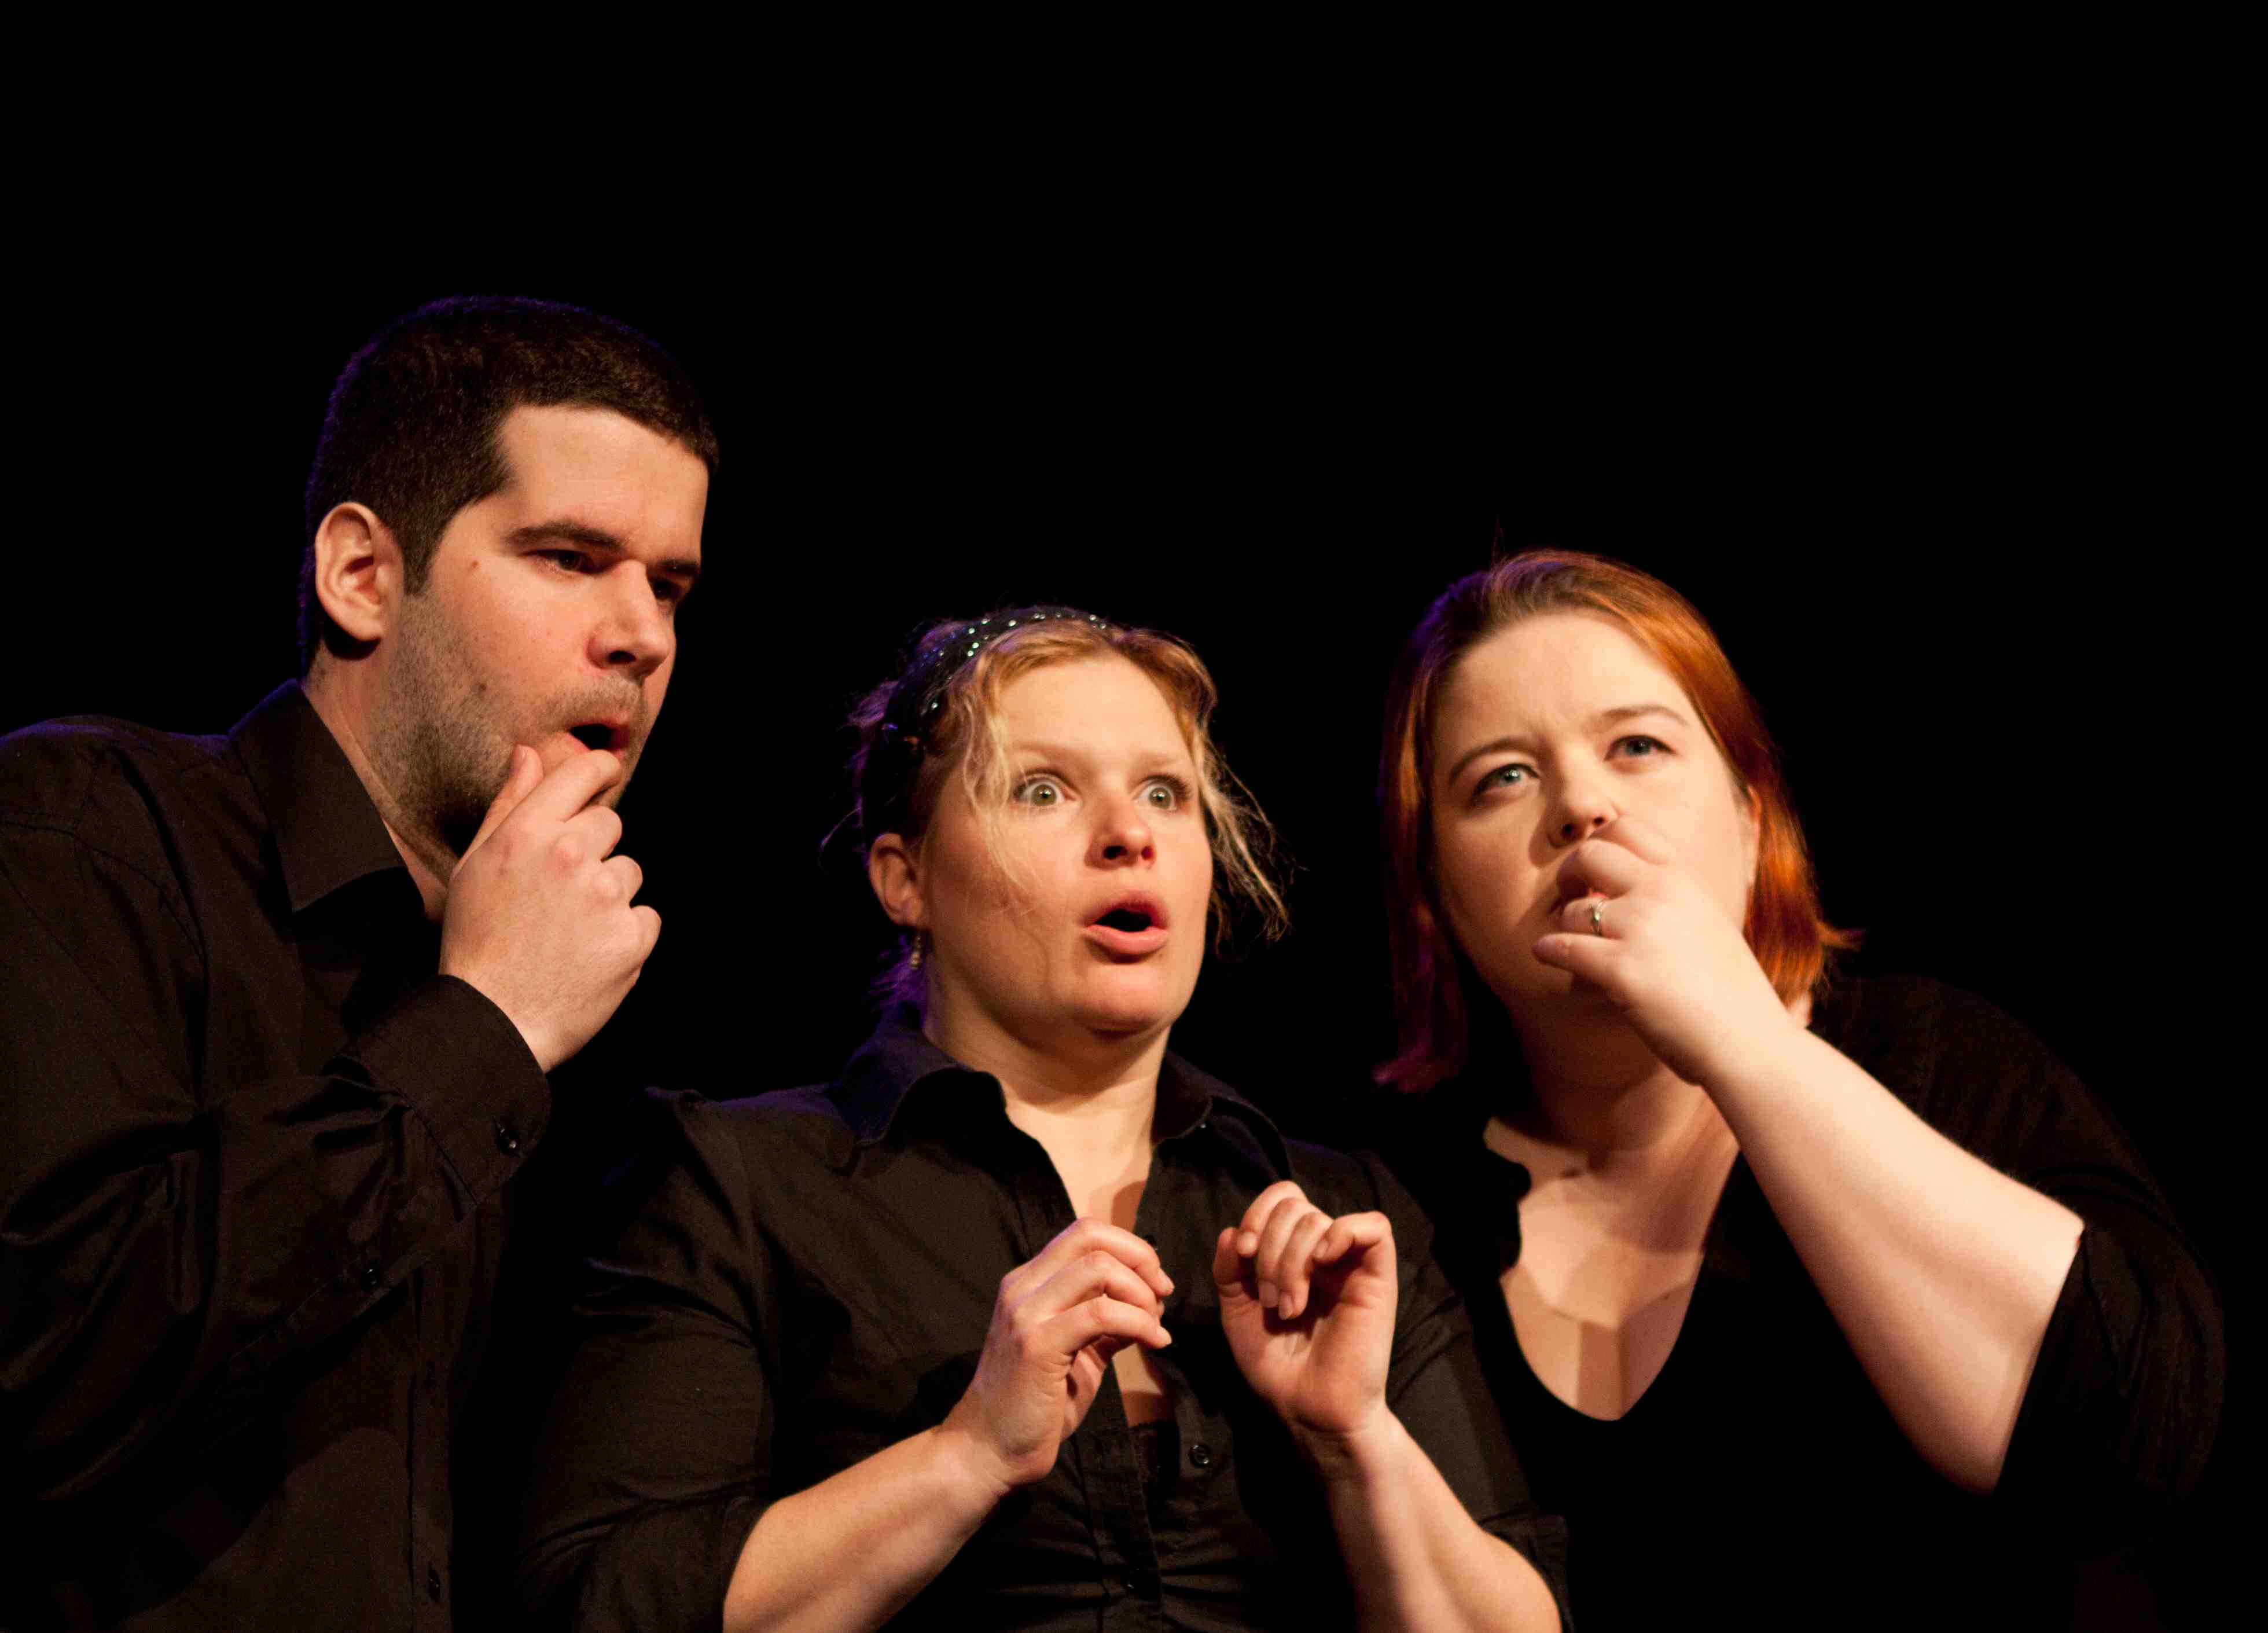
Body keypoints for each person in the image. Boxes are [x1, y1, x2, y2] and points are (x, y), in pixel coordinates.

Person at [517, 608, 1570, 1631]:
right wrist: (966, 1454)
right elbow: (597, 1600)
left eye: (1164, 793)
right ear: (906, 879)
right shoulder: (739, 1185)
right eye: (1043, 790)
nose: (1129, 835)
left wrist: (1356, 1440)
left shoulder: (1338, 1215)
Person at [0, 296, 715, 1631]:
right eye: (571, 558)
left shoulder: (579, 1021)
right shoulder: (86, 831)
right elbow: (44, 1364)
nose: (643, 635)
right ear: (362, 577)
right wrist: (483, 1024)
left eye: (669, 585)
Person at [1366, 549, 2224, 1628]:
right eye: (1502, 778)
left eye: (1637, 746)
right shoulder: (1395, 1197)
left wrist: (1741, 1036)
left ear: (1750, 815)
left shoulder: (1931, 1060)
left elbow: (2131, 1440)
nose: (1581, 804)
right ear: (1437, 888)